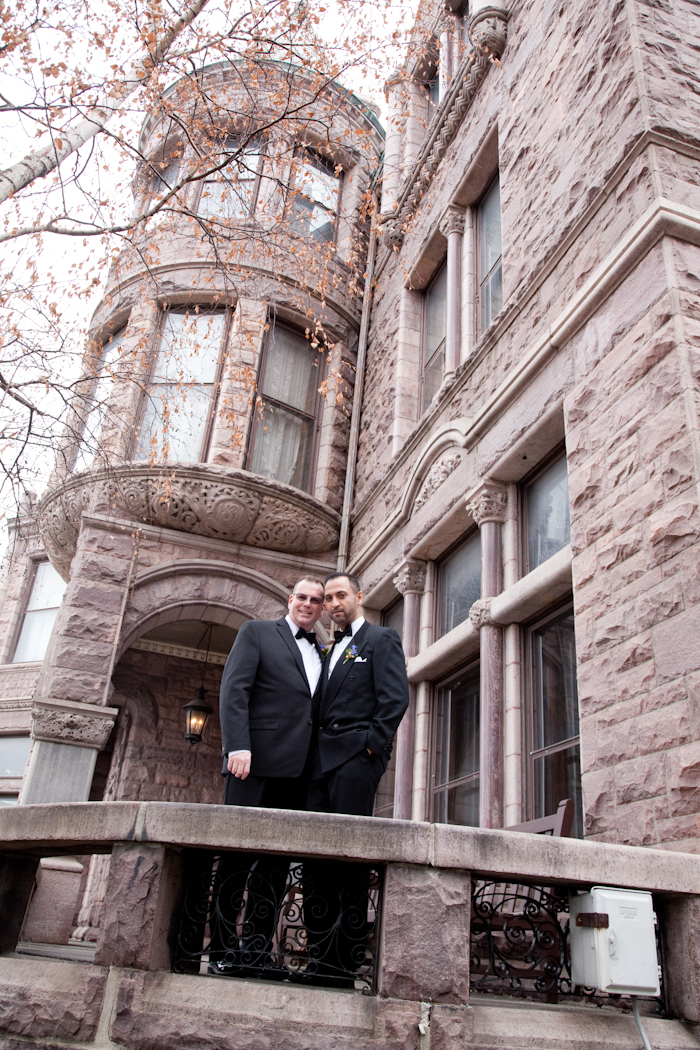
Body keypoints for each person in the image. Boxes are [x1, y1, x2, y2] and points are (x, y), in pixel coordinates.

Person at [209, 576, 325, 977]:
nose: (308, 604)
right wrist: (237, 746)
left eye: (316, 600)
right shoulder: (257, 632)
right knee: (235, 861)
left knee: (274, 866)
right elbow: (234, 689)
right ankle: (222, 951)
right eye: (302, 597)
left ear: (322, 608)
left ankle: (256, 953)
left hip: (297, 772)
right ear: (289, 600)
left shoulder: (322, 651)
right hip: (252, 765)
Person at [302, 571, 409, 987]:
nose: (332, 604)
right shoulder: (329, 651)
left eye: (340, 596)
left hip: (354, 762)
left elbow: (395, 698)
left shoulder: (381, 641)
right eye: (327, 598)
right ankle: (317, 959)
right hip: (318, 767)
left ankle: (343, 964)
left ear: (359, 597)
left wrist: (371, 749)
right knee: (315, 860)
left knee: (348, 860)